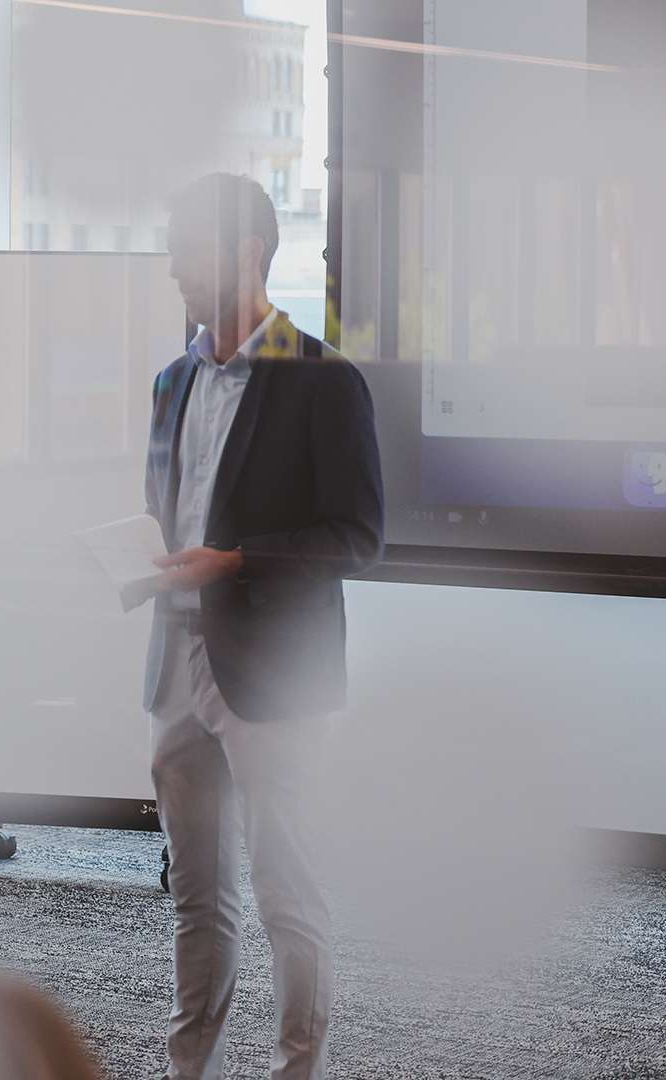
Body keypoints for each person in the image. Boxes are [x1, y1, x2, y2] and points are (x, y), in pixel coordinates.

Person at [140, 174, 383, 1080]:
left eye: (186, 247)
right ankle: (186, 1070)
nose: (172, 267)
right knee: (196, 898)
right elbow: (165, 512)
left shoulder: (325, 380)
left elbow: (358, 535)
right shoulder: (171, 382)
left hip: (275, 674)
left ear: (247, 251)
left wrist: (234, 562)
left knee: (287, 894)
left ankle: (295, 1071)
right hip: (175, 666)